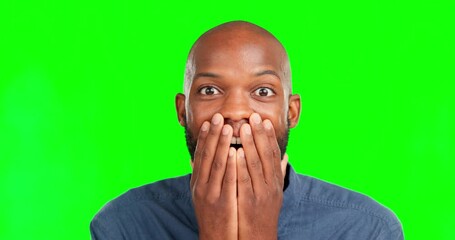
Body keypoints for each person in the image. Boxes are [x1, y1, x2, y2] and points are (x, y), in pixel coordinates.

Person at [90, 21, 404, 240]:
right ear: (182, 111)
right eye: (210, 90)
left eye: (263, 91)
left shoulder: (368, 230)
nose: (236, 111)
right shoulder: (122, 226)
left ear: (291, 112)